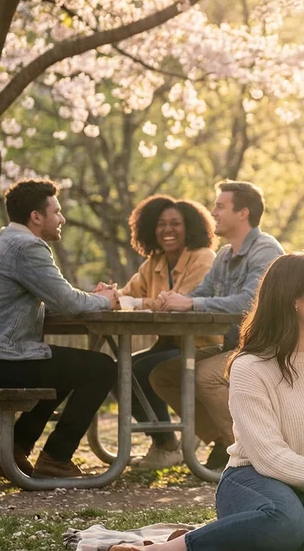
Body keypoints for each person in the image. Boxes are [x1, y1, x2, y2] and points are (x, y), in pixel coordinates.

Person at [111, 253, 304, 551]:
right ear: (293, 298)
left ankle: (231, 541)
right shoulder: (250, 366)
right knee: (283, 523)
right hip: (254, 483)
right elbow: (270, 458)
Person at [0, 179, 121, 478]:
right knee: (102, 367)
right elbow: (69, 302)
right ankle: (55, 457)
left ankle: (12, 451)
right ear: (37, 217)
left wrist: (93, 298)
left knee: (63, 366)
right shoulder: (27, 246)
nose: (62, 219)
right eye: (57, 212)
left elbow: (56, 298)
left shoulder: (2, 240)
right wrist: (103, 300)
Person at [146, 180, 284, 471]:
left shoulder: (265, 249)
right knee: (163, 374)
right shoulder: (223, 255)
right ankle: (225, 441)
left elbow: (249, 301)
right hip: (235, 347)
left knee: (207, 374)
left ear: (243, 213)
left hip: (267, 349)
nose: (213, 212)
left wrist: (190, 304)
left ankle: (253, 452)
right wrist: (174, 299)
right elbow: (201, 295)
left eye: (220, 206)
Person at [105, 195, 217, 469]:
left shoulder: (203, 258)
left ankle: (168, 446)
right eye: (161, 224)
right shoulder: (152, 263)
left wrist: (133, 302)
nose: (168, 229)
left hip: (202, 344)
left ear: (189, 227)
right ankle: (165, 444)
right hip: (170, 344)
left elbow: (179, 302)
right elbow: (128, 296)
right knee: (117, 371)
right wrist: (109, 296)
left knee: (143, 370)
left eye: (175, 223)